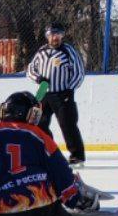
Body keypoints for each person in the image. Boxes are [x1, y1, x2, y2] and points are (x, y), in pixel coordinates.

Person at [26, 23, 86, 166]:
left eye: (58, 34)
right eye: (52, 34)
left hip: (62, 92)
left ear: (62, 36)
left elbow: (79, 73)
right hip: (42, 91)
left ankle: (77, 155)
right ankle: (47, 150)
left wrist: (70, 89)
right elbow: (30, 70)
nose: (55, 37)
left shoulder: (68, 51)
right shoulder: (41, 51)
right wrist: (38, 79)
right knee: (37, 123)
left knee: (67, 124)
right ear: (47, 36)